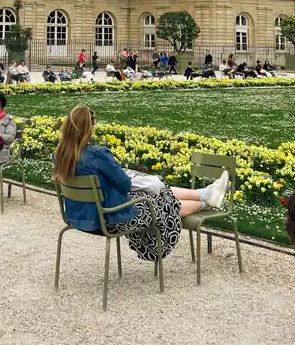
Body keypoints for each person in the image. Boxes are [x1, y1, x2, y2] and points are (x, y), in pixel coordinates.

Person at [52, 106, 229, 262]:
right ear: (89, 128)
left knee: (157, 194)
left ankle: (206, 195)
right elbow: (124, 185)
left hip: (78, 217)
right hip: (110, 219)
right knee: (161, 201)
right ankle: (205, 201)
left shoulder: (59, 155)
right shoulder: (97, 155)